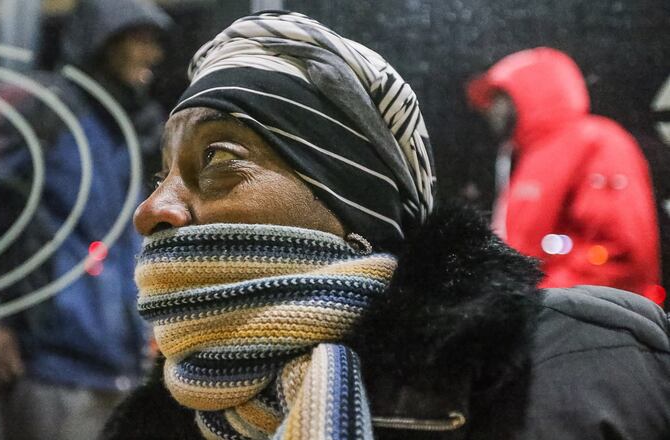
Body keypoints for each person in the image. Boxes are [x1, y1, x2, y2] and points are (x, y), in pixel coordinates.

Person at [102, 11, 670, 440]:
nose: (150, 209)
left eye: (219, 159)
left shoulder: (581, 370)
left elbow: (618, 244)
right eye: (160, 174)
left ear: (354, 198)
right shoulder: (157, 421)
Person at [0, 1, 172, 439]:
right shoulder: (40, 111)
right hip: (42, 373)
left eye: (154, 41)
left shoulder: (130, 130)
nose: (152, 54)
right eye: (137, 39)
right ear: (102, 41)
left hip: (118, 373)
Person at [466, 48, 663, 305]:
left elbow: (620, 253)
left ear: (531, 92)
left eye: (501, 98)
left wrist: (538, 299)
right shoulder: (529, 158)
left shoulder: (596, 142)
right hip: (554, 317)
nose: (492, 110)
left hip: (595, 319)